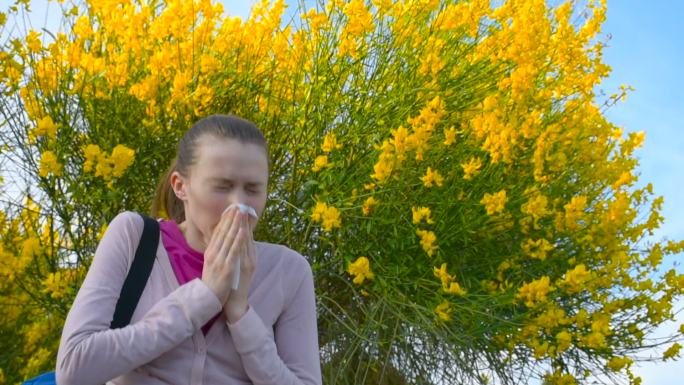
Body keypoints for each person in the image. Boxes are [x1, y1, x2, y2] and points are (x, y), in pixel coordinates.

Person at [56, 114, 322, 385]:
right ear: (181, 186)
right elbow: (73, 368)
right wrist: (204, 297)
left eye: (253, 189)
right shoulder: (133, 237)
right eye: (222, 187)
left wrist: (241, 314)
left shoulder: (289, 270)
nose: (239, 204)